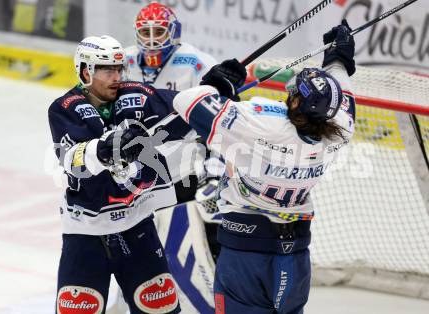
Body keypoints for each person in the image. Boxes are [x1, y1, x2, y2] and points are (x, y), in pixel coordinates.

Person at [172, 20, 356, 313]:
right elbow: (343, 100)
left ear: (295, 103)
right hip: (295, 259)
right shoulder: (339, 132)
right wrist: (339, 59)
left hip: (245, 255)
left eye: (295, 91)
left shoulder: (259, 123)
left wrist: (217, 83)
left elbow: (187, 101)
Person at [48, 34, 187, 313]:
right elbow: (74, 161)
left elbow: (185, 105)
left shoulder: (137, 94)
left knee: (161, 310)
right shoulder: (65, 109)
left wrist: (215, 89)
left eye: (118, 69)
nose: (116, 76)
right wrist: (106, 148)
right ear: (86, 71)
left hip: (136, 228)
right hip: (85, 235)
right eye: (106, 69)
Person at [124, 2, 217, 90]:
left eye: (159, 31)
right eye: (146, 32)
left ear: (173, 33)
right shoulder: (125, 59)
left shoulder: (196, 63)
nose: (152, 40)